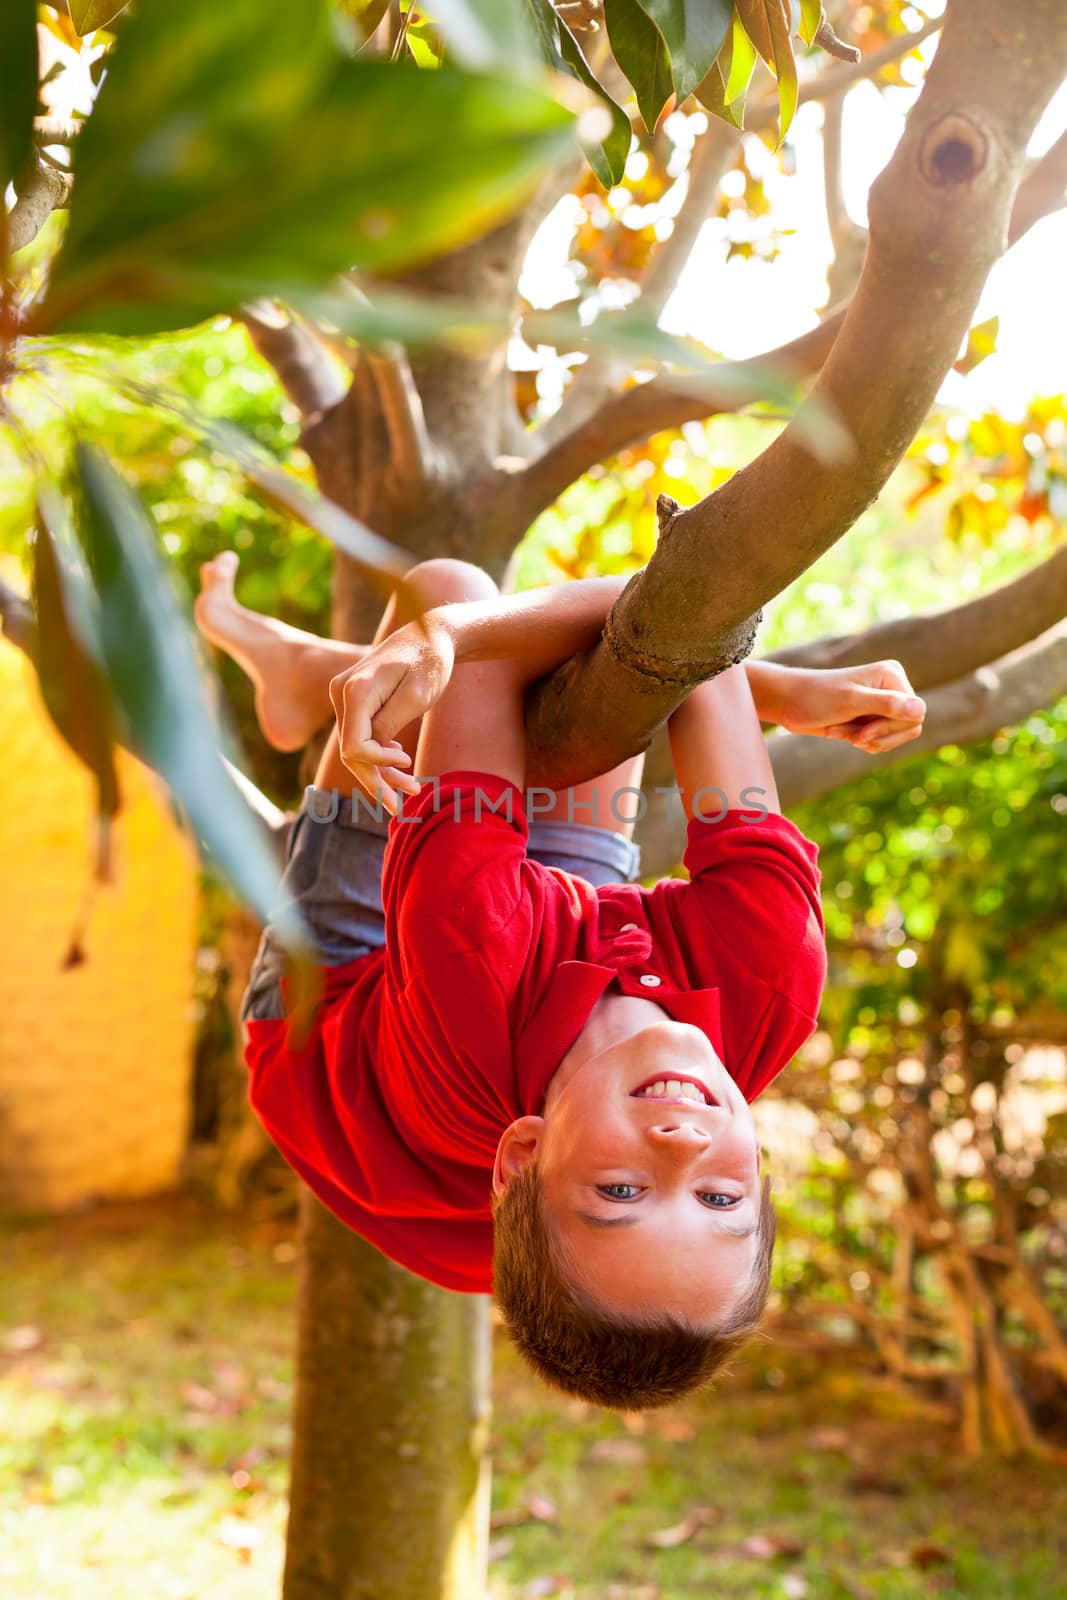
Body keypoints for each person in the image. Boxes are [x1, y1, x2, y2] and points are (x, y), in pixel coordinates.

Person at [196, 551, 925, 1409]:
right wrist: (730, 671)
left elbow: (466, 618)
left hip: (340, 1035)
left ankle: (318, 674)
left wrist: (770, 688)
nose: (683, 1146)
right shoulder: (768, 985)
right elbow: (687, 622)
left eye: (622, 1191)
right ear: (759, 1171)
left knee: (462, 599)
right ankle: (306, 671)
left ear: (526, 1152)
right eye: (720, 1194)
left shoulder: (465, 963)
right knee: (598, 700)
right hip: (545, 982)